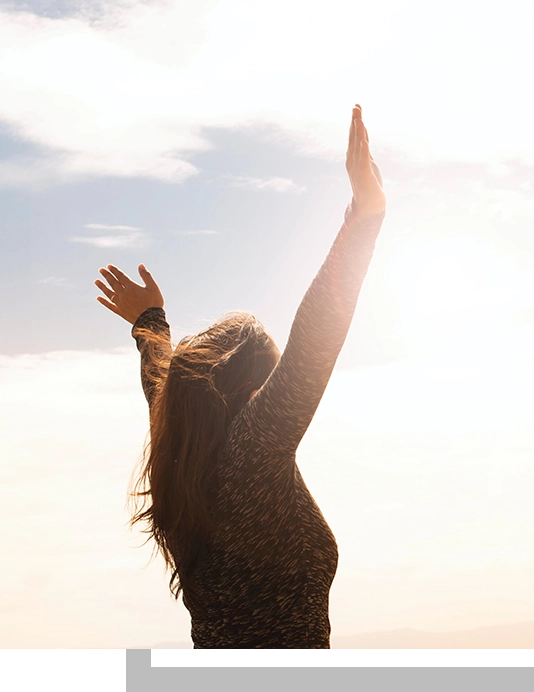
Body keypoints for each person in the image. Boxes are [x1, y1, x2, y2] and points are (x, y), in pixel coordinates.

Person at [94, 105, 386, 655]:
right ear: (253, 387)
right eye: (272, 381)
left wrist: (150, 324)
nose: (277, 393)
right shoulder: (251, 455)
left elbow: (161, 384)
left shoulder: (180, 453)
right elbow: (315, 340)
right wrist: (364, 216)